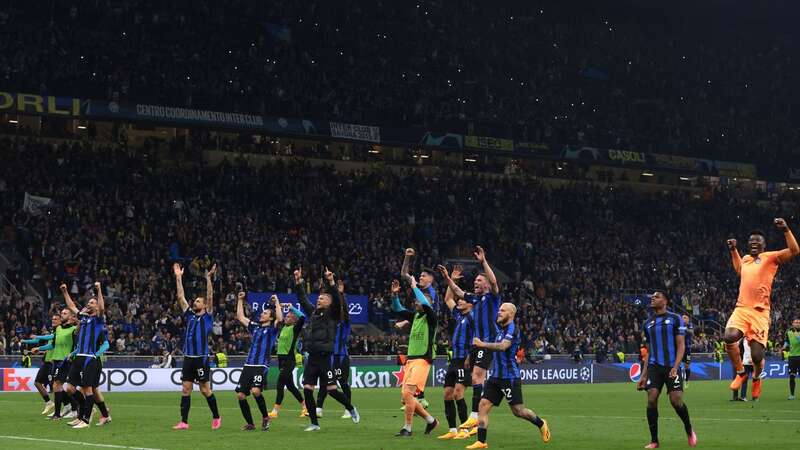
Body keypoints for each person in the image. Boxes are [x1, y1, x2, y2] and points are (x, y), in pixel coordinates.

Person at [726, 219, 800, 400]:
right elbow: (739, 271)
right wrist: (733, 251)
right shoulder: (745, 259)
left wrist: (786, 230)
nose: (754, 243)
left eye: (758, 241)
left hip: (760, 312)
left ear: (764, 245)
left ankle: (757, 377)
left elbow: (795, 250)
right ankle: (741, 373)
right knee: (729, 336)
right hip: (742, 308)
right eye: (751, 241)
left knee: (757, 356)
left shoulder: (770, 257)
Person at [468, 303, 550, 449]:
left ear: (511, 314)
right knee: (483, 405)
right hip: (495, 377)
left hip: (509, 377)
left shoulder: (513, 329)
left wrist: (482, 344)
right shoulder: (500, 331)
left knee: (518, 411)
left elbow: (503, 346)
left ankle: (541, 423)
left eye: (502, 310)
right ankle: (481, 442)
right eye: (498, 309)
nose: (499, 312)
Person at [441, 246, 502, 435]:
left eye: (479, 280)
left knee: (476, 376)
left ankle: (475, 415)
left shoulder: (492, 298)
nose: (476, 282)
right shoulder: (475, 300)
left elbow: (493, 281)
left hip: (487, 341)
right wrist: (449, 279)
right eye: (475, 279)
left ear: (485, 285)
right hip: (476, 345)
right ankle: (473, 418)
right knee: (474, 378)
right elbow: (458, 292)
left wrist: (483, 262)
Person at [295, 267, 360, 431]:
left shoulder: (333, 314)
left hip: (325, 358)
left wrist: (331, 282)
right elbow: (303, 300)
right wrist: (298, 282)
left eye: (323, 298)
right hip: (312, 357)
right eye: (318, 298)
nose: (319, 300)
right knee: (308, 390)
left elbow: (338, 301)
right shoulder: (313, 314)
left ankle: (351, 408)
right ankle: (314, 424)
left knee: (331, 389)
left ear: (330, 302)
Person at [637, 291, 697, 449]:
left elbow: (681, 345)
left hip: (672, 365)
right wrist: (643, 375)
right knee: (651, 398)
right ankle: (654, 440)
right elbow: (649, 352)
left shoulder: (675, 319)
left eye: (656, 296)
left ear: (665, 301)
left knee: (676, 401)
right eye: (652, 297)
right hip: (654, 367)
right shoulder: (647, 323)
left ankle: (689, 428)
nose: (653, 298)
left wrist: (676, 366)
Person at [172, 263, 222, 430]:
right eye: (195, 300)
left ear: (205, 305)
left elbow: (210, 296)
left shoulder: (208, 316)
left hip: (201, 358)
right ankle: (184, 422)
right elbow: (180, 297)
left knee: (204, 390)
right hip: (188, 358)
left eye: (198, 301)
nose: (195, 302)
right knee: (185, 389)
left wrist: (208, 279)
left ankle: (216, 416)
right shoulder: (190, 315)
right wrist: (178, 277)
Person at [391, 277, 439, 437]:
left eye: (418, 302)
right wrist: (394, 295)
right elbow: (398, 309)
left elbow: (424, 303)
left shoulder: (431, 318)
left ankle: (408, 428)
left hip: (422, 360)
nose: (416, 303)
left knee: (408, 394)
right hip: (411, 360)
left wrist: (413, 285)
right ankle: (431, 421)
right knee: (406, 398)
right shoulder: (416, 316)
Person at [63, 281, 112, 428]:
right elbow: (72, 306)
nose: (89, 304)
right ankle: (87, 413)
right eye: (88, 302)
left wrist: (99, 290)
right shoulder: (84, 319)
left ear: (96, 307)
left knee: (88, 389)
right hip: (79, 357)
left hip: (90, 358)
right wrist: (65, 291)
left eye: (92, 302)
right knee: (70, 388)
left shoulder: (98, 320)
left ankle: (85, 419)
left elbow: (102, 308)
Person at [234, 291, 282, 431]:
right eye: (263, 313)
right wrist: (240, 300)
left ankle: (265, 418)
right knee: (241, 395)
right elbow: (240, 316)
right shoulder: (255, 326)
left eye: (265, 313)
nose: (262, 314)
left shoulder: (273, 329)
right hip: (249, 364)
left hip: (261, 365)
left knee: (255, 391)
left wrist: (277, 302)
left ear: (271, 317)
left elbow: (280, 317)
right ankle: (250, 423)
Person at [436, 264, 474, 440]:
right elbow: (447, 299)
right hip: (454, 361)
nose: (458, 301)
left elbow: (476, 342)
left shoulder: (473, 319)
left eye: (462, 300)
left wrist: (469, 358)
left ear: (470, 304)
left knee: (459, 392)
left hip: (464, 360)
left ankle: (465, 430)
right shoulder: (459, 316)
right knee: (447, 394)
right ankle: (452, 430)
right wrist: (452, 279)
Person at [25, 307, 78, 420]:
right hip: (56, 360)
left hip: (66, 361)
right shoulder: (58, 329)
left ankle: (70, 409)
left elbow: (78, 346)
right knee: (58, 386)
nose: (62, 314)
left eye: (65, 313)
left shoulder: (74, 329)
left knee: (61, 386)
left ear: (71, 317)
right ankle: (63, 411)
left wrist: (71, 355)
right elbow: (52, 345)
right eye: (62, 313)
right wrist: (38, 349)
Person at [317, 279, 354, 419]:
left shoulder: (344, 324)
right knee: (324, 382)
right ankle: (318, 408)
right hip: (328, 356)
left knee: (342, 382)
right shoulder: (329, 321)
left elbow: (343, 309)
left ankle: (348, 408)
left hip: (341, 357)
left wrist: (341, 295)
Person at [270, 283, 308, 418]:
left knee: (280, 383)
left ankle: (275, 411)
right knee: (291, 386)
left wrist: (292, 308)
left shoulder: (295, 329)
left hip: (289, 359)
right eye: (287, 316)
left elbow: (303, 318)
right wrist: (277, 303)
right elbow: (279, 317)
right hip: (280, 359)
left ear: (293, 320)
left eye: (289, 316)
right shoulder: (284, 327)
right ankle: (305, 406)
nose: (286, 317)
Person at [21, 313, 60, 415]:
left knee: (58, 387)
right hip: (47, 361)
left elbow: (50, 344)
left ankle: (66, 408)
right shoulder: (53, 332)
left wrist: (39, 346)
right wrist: (25, 341)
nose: (53, 320)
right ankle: (51, 403)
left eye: (56, 319)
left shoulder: (58, 332)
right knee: (39, 383)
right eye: (53, 319)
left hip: (53, 361)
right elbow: (44, 343)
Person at [785, 318, 800, 400]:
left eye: (799, 322)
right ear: (793, 324)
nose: (797, 324)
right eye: (796, 322)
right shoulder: (789, 332)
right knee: (791, 376)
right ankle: (792, 395)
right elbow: (787, 342)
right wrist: (784, 347)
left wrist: (797, 336)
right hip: (792, 357)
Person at [681, 314, 694, 386]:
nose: (683, 319)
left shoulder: (689, 325)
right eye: (682, 318)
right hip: (679, 348)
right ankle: (678, 380)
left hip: (687, 349)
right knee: (677, 364)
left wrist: (685, 328)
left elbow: (691, 332)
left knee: (686, 365)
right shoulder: (679, 325)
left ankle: (686, 381)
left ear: (688, 319)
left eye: (685, 318)